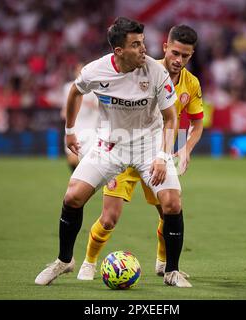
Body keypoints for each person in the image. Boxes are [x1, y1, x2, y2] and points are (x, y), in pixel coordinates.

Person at [34, 17, 191, 288]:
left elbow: (170, 118)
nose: (144, 49)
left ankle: (172, 271)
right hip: (110, 145)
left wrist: (164, 156)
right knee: (72, 196)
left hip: (149, 146)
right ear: (119, 51)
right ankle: (64, 260)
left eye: (143, 43)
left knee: (172, 203)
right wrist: (69, 130)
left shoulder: (156, 72)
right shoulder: (96, 71)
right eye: (136, 45)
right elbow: (75, 92)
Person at [76, 25, 204, 281]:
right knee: (109, 218)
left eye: (186, 56)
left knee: (168, 210)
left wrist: (186, 149)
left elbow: (197, 122)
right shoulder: (143, 68)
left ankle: (164, 263)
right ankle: (88, 262)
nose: (179, 61)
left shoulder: (192, 84)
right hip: (124, 146)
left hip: (158, 153)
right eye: (175, 53)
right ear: (165, 48)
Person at [60, 62, 99, 171]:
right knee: (72, 159)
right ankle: (79, 180)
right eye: (78, 70)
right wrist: (65, 112)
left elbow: (101, 108)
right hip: (74, 128)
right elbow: (65, 108)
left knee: (88, 161)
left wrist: (89, 104)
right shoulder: (68, 87)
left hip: (91, 128)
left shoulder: (95, 88)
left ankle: (84, 182)